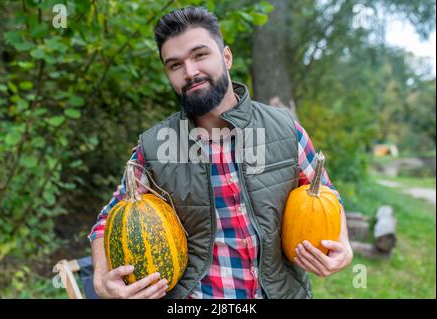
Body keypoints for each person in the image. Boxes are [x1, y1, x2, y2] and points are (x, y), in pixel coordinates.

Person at [88, 6, 353, 299]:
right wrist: (100, 277)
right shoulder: (154, 147)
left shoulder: (285, 130)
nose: (190, 72)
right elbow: (108, 219)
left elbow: (326, 193)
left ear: (226, 57)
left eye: (200, 55)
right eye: (175, 65)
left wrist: (344, 246)